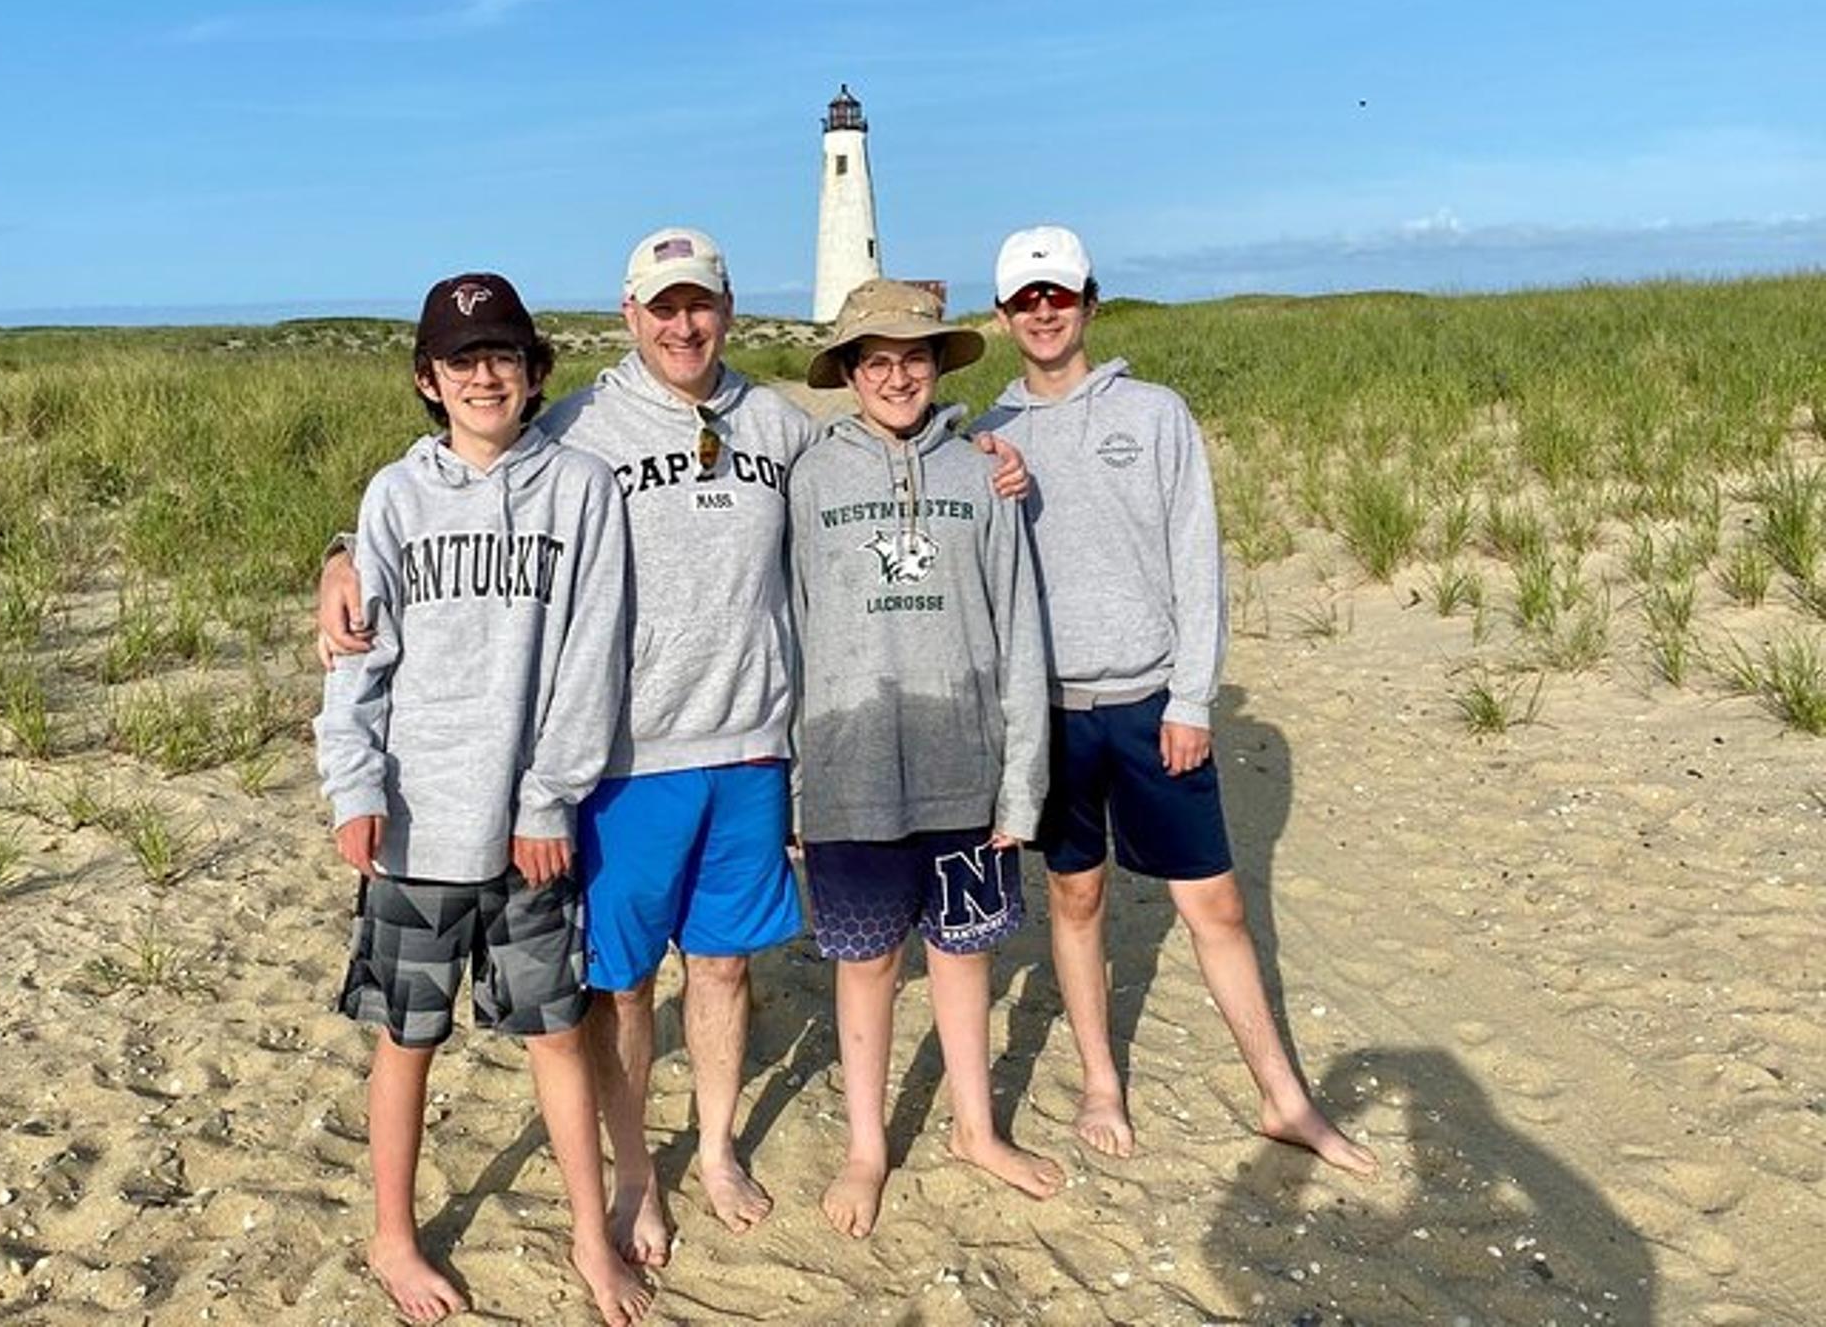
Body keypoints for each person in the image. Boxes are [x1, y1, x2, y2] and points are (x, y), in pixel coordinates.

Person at [317, 229, 1029, 1265]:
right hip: (621, 757)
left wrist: (982, 443)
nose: (682, 324)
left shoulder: (776, 422)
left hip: (748, 748)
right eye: (662, 308)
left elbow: (885, 430)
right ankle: (635, 1175)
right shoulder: (578, 425)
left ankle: (718, 1147)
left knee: (724, 970)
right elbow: (460, 474)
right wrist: (338, 552)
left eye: (699, 305)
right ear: (629, 316)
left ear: (726, 312)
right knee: (622, 985)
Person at [969, 227, 1378, 1177]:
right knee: (1075, 896)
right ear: (1001, 316)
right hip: (1054, 713)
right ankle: (1100, 1083)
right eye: (1025, 299)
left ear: (1089, 301)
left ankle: (1285, 1096)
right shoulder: (984, 434)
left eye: (1057, 295)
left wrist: (1192, 696)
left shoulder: (1154, 414)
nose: (1042, 312)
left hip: (1153, 703)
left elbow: (1198, 566)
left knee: (1218, 906)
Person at [314, 272, 650, 1325]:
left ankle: (591, 1242)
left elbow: (593, 656)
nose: (484, 376)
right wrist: (353, 785)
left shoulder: (580, 490)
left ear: (534, 371)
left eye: (502, 356)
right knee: (406, 1039)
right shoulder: (393, 498)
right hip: (414, 823)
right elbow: (356, 662)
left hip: (527, 833)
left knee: (555, 1036)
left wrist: (548, 799)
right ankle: (392, 1238)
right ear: (428, 379)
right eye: (462, 361)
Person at [788, 279, 1062, 1238]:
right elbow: (792, 627)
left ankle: (976, 1127)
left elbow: (1020, 628)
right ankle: (868, 1144)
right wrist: (797, 773)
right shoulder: (812, 478)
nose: (897, 375)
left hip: (967, 765)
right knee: (867, 963)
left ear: (939, 364)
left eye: (914, 357)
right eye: (876, 359)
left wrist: (1021, 781)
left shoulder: (981, 472)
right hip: (850, 765)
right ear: (850, 373)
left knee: (964, 954)